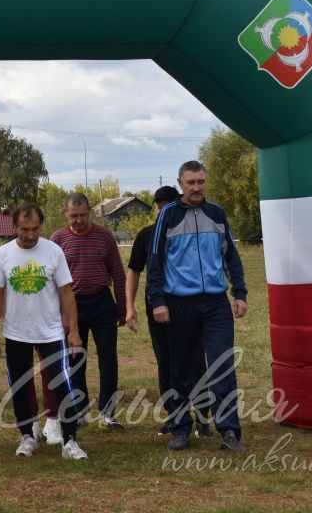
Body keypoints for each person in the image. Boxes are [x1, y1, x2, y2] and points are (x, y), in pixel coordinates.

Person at [147, 161, 248, 452]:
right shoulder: (167, 215)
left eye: (201, 181)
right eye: (190, 182)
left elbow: (231, 256)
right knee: (181, 368)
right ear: (180, 183)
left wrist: (239, 293)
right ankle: (180, 428)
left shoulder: (216, 213)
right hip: (179, 304)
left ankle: (229, 431)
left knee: (222, 366)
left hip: (215, 304)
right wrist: (158, 300)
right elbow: (156, 261)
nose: (196, 187)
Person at [0, 202, 87, 460]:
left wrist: (73, 331)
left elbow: (66, 292)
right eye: (24, 230)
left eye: (35, 229)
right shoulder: (3, 255)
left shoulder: (54, 252)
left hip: (51, 333)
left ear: (42, 226)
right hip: (16, 333)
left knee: (63, 384)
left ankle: (70, 440)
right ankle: (27, 436)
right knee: (20, 386)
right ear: (14, 227)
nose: (30, 235)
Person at [125, 186, 211, 438]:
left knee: (195, 361)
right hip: (157, 307)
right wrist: (130, 307)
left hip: (189, 306)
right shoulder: (146, 235)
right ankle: (175, 417)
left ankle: (203, 417)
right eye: (159, 204)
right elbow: (134, 271)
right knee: (166, 361)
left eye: (168, 204)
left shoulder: (192, 233)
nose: (163, 209)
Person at [49, 192, 127, 430]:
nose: (79, 220)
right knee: (75, 358)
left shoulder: (105, 236)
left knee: (108, 358)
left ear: (90, 212)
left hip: (102, 302)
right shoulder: (57, 239)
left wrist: (122, 308)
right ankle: (79, 408)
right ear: (65, 214)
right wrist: (60, 314)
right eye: (74, 216)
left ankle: (108, 411)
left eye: (83, 215)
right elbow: (51, 280)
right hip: (72, 305)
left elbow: (118, 272)